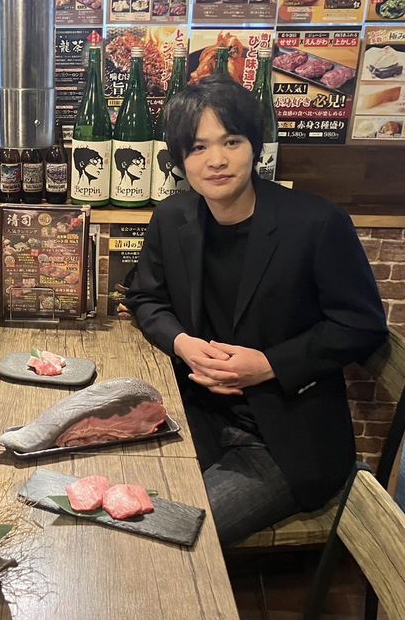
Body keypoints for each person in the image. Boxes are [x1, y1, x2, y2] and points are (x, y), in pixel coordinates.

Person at [125, 76, 388, 546]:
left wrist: (269, 364)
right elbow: (146, 297)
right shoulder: (172, 218)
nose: (216, 160)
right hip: (195, 415)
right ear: (180, 159)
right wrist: (183, 344)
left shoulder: (316, 223)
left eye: (231, 141)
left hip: (282, 439)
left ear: (254, 146)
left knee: (163, 533)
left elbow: (361, 325)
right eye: (198, 147)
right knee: (114, 500)